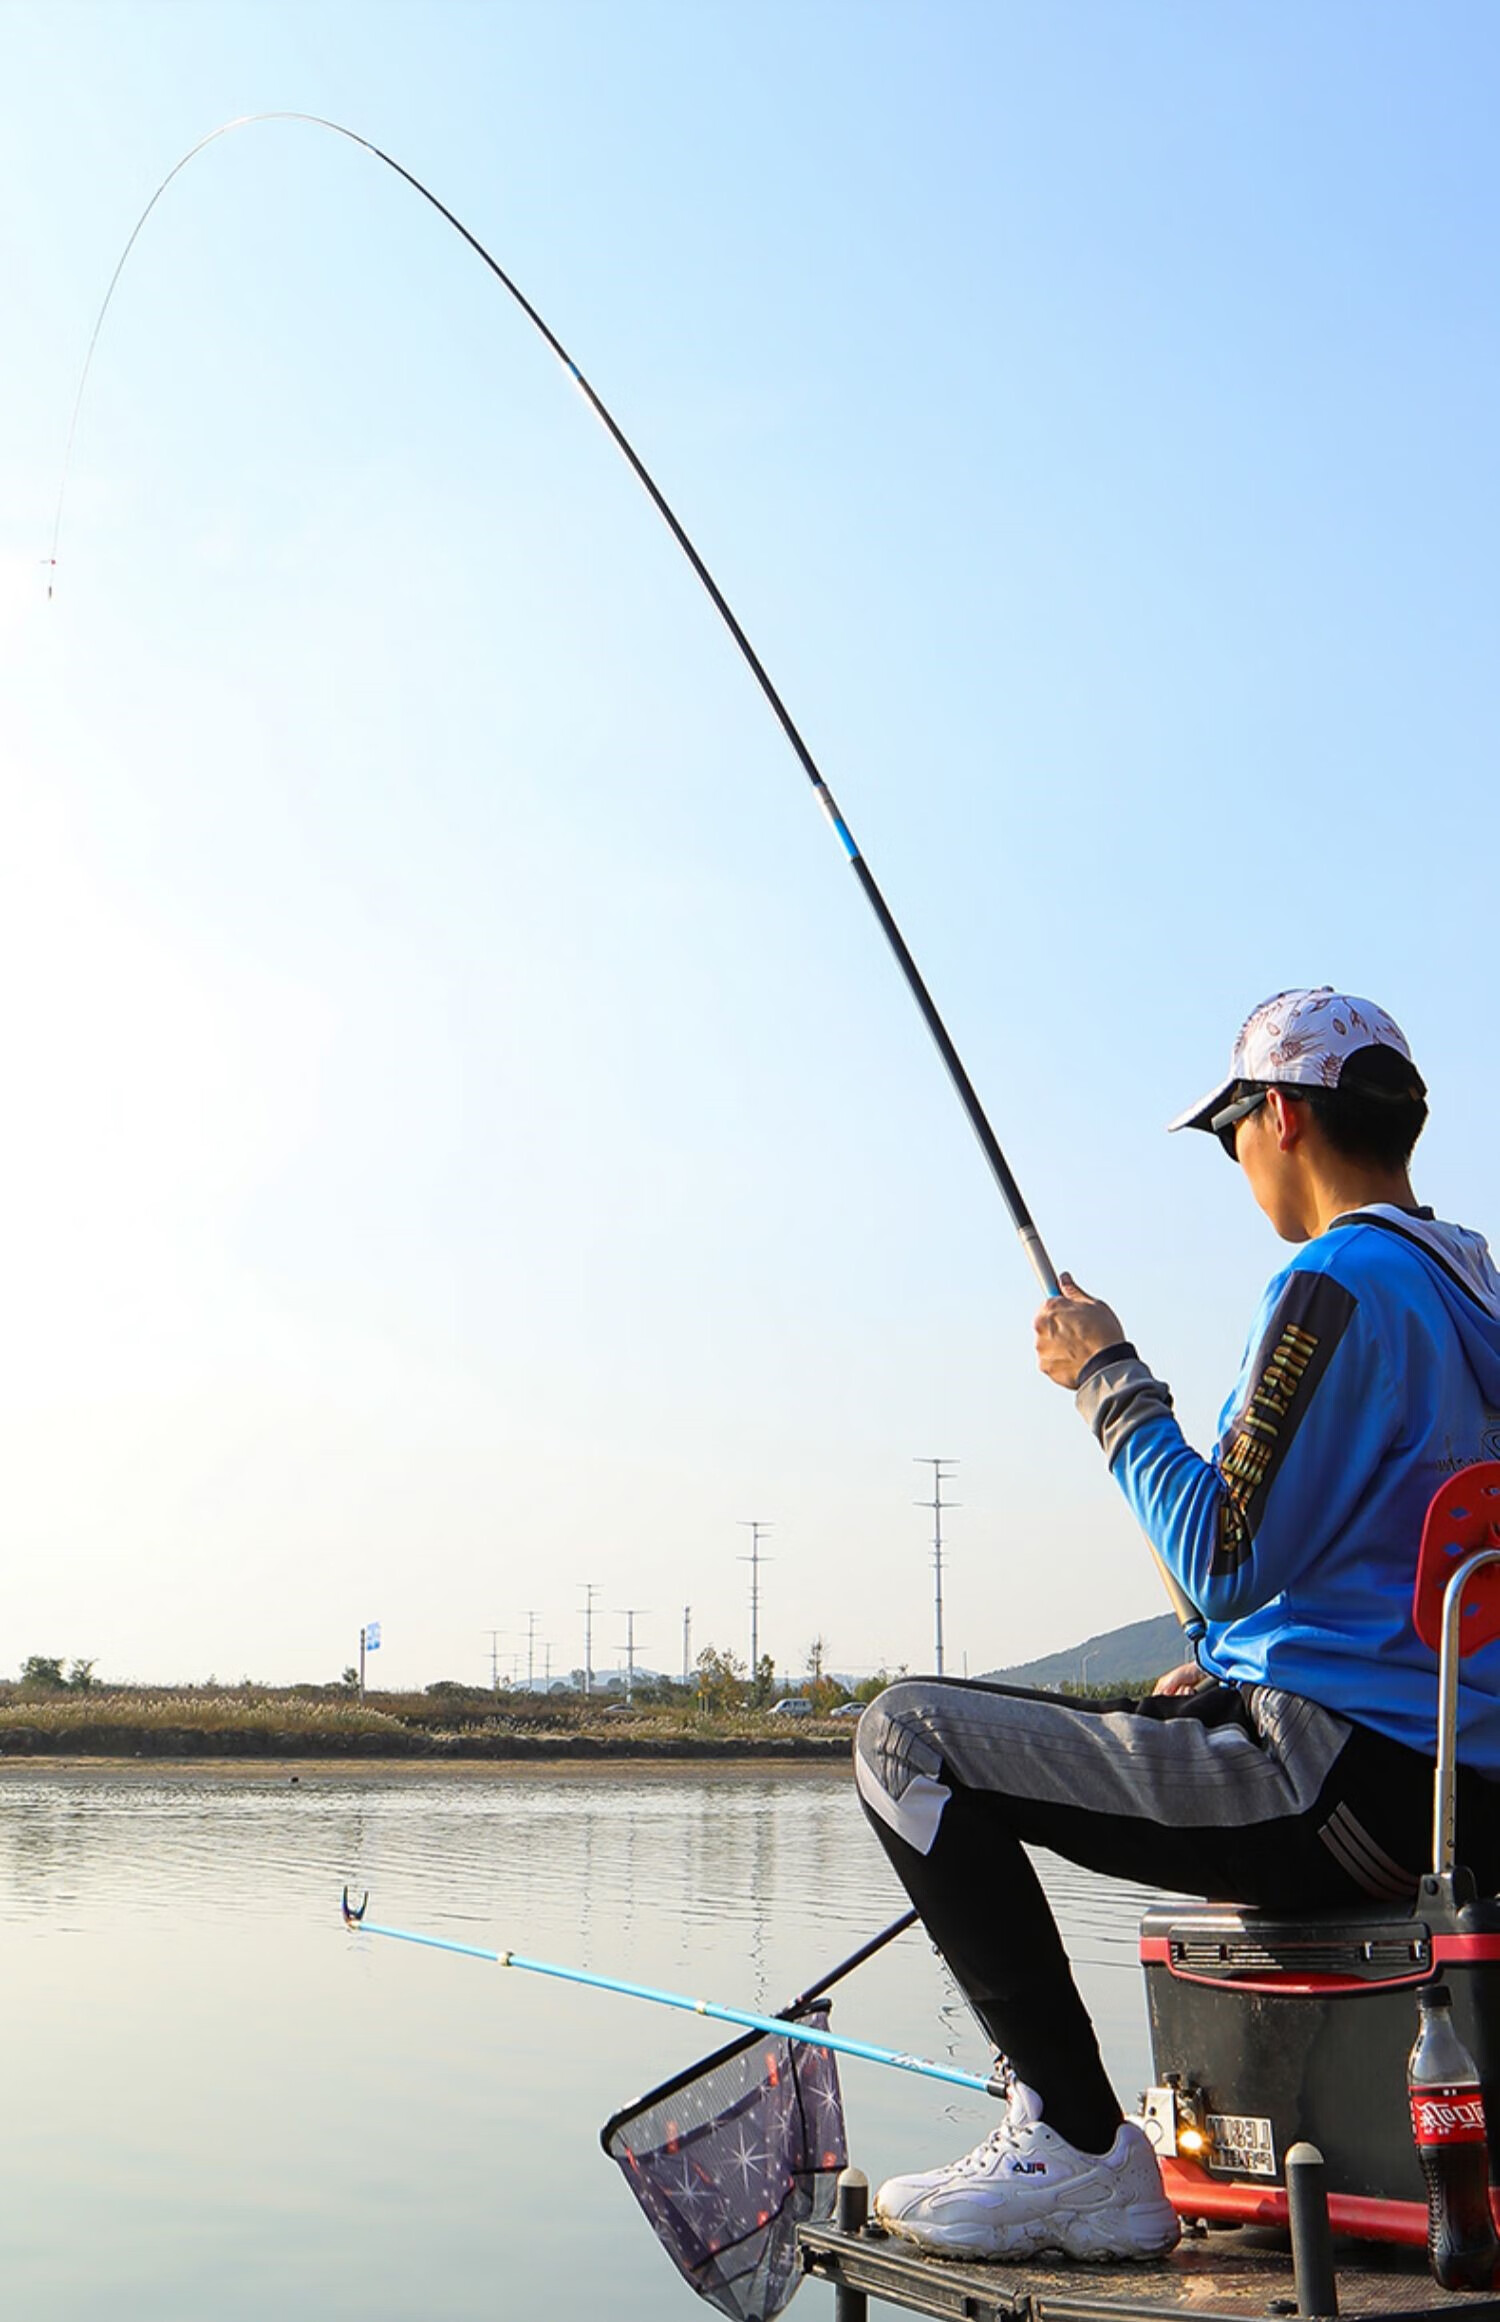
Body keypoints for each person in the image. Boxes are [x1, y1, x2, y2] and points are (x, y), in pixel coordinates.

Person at [854, 987, 1500, 2264]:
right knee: (1186, 1677)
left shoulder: (1338, 1281)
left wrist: (1108, 1380)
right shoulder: (1472, 1288)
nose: (1238, 1160)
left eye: (1231, 1132)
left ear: (1284, 1117)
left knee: (903, 1739)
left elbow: (1216, 1555)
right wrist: (1221, 1668)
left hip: (1346, 1789)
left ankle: (1084, 2149)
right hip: (1459, 1789)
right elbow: (1340, 1569)